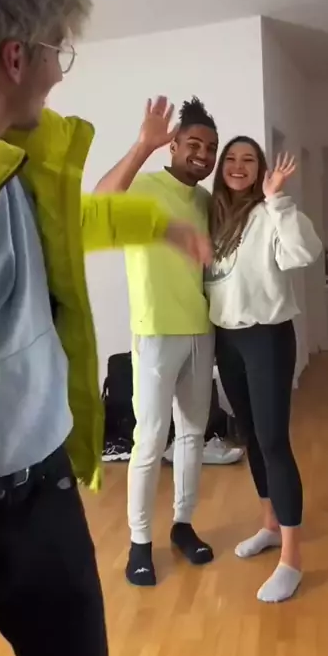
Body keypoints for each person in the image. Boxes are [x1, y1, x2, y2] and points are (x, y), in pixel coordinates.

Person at [0, 0, 211, 656]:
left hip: (44, 494)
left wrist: (155, 225)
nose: (61, 74)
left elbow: (67, 228)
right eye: (57, 52)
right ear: (15, 57)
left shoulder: (23, 164)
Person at [95, 96, 219, 585]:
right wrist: (141, 145)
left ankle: (183, 525)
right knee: (149, 440)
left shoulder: (205, 201)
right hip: (155, 331)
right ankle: (139, 542)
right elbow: (100, 201)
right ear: (174, 145)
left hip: (201, 330)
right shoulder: (144, 186)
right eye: (195, 144)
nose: (203, 155)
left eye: (210, 148)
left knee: (192, 435)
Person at [205, 137, 322, 603]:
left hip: (267, 337)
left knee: (273, 441)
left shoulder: (270, 212)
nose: (238, 166)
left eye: (248, 160)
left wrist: (277, 199)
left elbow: (305, 253)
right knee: (250, 436)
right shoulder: (216, 218)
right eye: (231, 159)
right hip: (227, 339)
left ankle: (291, 560)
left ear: (260, 169)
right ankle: (270, 526)